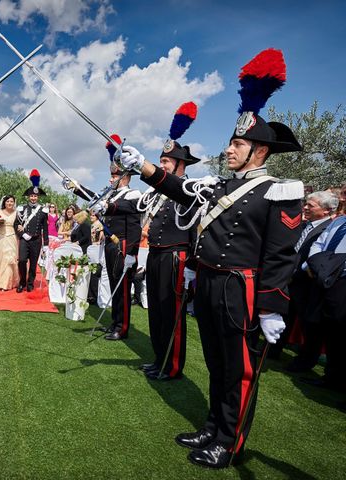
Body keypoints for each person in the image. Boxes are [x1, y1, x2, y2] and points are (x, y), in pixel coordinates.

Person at [119, 49, 304, 468]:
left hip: (243, 289)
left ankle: (231, 443)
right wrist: (146, 167)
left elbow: (280, 255)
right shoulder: (218, 187)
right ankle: (213, 427)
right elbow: (179, 190)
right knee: (218, 363)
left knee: (238, 370)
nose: (230, 149)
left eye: (238, 143)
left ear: (260, 150)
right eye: (232, 142)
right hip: (210, 284)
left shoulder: (279, 189)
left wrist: (273, 307)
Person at [139, 102, 199, 381]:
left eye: (165, 162)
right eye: (160, 161)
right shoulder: (159, 192)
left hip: (177, 256)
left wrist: (193, 266)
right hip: (155, 254)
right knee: (157, 310)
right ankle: (158, 357)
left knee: (172, 311)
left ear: (180, 164)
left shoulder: (189, 188)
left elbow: (196, 230)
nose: (161, 166)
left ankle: (172, 365)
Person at [64, 134, 143, 340]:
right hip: (110, 244)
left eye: (114, 176)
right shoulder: (112, 195)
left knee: (122, 288)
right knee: (115, 286)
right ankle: (115, 322)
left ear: (124, 177)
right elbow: (93, 197)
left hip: (124, 244)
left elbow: (134, 227)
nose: (110, 179)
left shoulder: (133, 194)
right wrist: (76, 186)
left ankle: (122, 327)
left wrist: (132, 253)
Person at [269, 191, 337, 368]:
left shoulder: (327, 229)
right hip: (290, 280)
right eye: (305, 204)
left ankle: (305, 361)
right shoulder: (304, 224)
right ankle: (273, 350)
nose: (305, 208)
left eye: (311, 205)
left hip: (307, 284)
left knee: (308, 325)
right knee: (284, 316)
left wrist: (295, 275)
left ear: (326, 210)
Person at [301, 213, 346, 394]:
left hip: (341, 280)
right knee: (324, 326)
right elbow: (319, 243)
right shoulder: (340, 221)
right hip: (321, 276)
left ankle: (338, 379)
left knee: (338, 330)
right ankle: (330, 376)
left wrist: (335, 270)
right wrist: (313, 266)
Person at [16, 169, 49, 293]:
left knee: (34, 263)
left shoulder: (43, 210)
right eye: (31, 196)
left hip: (36, 240)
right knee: (22, 260)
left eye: (35, 196)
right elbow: (16, 224)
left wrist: (46, 244)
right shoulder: (21, 208)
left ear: (37, 197)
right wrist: (23, 234)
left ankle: (30, 283)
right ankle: (22, 282)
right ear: (28, 197)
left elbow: (45, 228)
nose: (33, 198)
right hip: (25, 239)